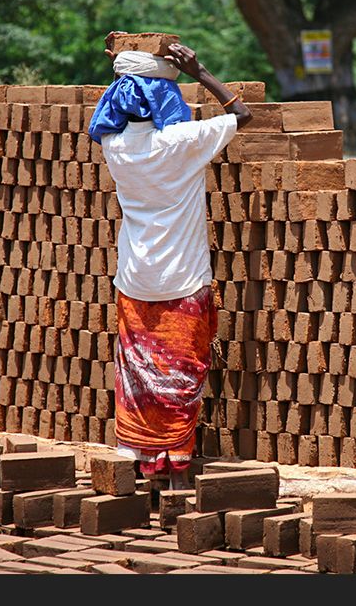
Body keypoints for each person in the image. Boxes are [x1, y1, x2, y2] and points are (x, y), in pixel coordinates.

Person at [88, 35, 252, 490]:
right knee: (179, 376)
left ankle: (140, 465)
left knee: (140, 378)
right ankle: (176, 472)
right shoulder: (184, 141)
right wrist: (200, 73)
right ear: (165, 95)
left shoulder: (114, 148)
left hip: (134, 280)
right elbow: (241, 115)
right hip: (183, 282)